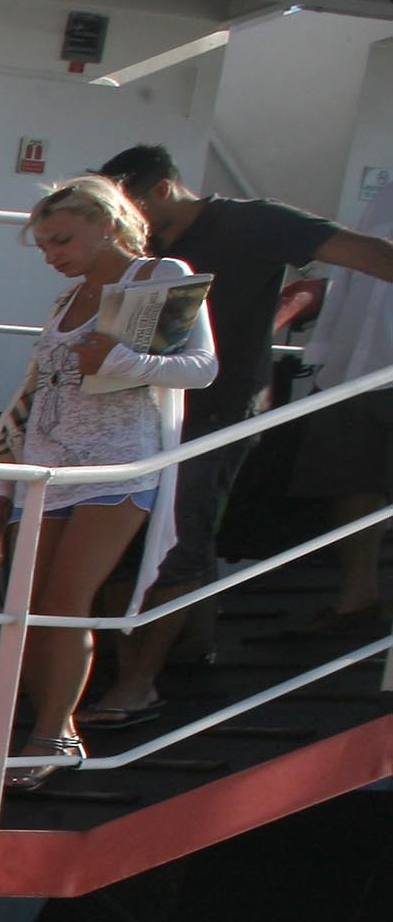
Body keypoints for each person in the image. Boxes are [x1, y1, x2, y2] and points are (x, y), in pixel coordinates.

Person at [86, 145, 393, 721]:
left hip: (217, 416)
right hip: (135, 416)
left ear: (162, 190)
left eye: (131, 209)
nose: (131, 227)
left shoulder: (255, 223)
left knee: (177, 547)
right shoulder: (140, 241)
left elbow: (365, 253)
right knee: (133, 549)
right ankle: (189, 647)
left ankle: (137, 685)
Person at [0, 175, 215, 788]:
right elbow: (34, 392)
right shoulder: (64, 301)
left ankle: (50, 734)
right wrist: (4, 485)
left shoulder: (158, 275)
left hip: (116, 464)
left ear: (107, 224)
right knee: (27, 608)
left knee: (63, 603)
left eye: (62, 240)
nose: (53, 255)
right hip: (47, 465)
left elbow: (202, 367)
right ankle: (45, 730)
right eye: (45, 246)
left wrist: (121, 361)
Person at [293, 171, 393, 637]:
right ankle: (357, 602)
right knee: (353, 480)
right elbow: (352, 277)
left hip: (372, 362)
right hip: (359, 364)